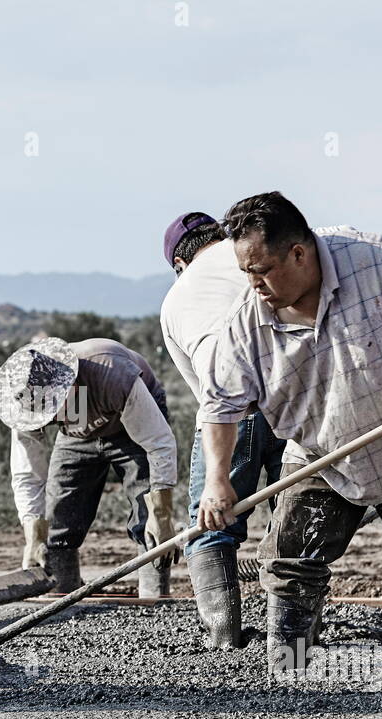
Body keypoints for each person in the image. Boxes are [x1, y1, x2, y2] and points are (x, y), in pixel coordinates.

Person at [198, 191, 382, 671]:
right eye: (245, 272)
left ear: (299, 253)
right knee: (290, 561)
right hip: (322, 454)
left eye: (262, 270)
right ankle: (288, 667)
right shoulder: (246, 322)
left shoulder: (379, 261)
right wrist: (217, 478)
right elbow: (219, 406)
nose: (253, 283)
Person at [160, 211, 285, 648]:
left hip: (234, 412)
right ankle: (291, 637)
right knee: (299, 511)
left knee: (212, 524)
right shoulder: (252, 262)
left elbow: (209, 398)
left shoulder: (174, 301)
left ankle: (223, 634)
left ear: (179, 263)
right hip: (293, 398)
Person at [0, 337, 179, 596]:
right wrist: (34, 538)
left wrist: (163, 516)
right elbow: (28, 475)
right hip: (76, 435)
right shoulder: (23, 401)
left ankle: (155, 599)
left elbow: (159, 444)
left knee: (148, 515)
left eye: (52, 409)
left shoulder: (113, 375)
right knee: (57, 518)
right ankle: (61, 599)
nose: (50, 419)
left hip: (129, 425)